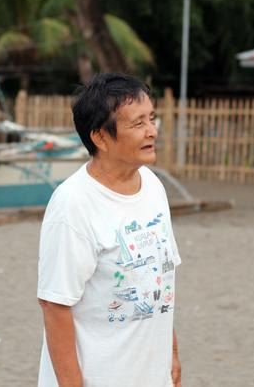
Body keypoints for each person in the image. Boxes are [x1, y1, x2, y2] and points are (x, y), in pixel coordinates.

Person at [37, 73, 182, 387]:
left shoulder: (154, 187)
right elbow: (55, 304)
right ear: (100, 137)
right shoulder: (74, 203)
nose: (152, 131)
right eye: (137, 123)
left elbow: (159, 283)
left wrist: (170, 356)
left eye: (152, 119)